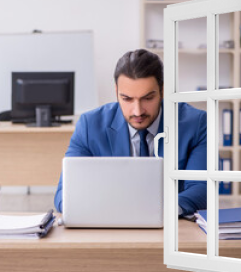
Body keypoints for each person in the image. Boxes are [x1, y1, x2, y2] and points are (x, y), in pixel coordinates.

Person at [54, 49, 207, 216]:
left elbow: (201, 189)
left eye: (148, 98)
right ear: (116, 92)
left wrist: (158, 211)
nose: (138, 111)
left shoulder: (195, 124)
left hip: (171, 227)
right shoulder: (90, 126)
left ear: (162, 91)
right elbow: (64, 194)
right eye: (127, 99)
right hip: (109, 224)